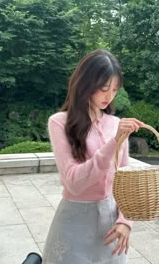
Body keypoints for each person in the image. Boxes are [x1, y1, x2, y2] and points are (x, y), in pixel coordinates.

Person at [42, 49, 144, 264]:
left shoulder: (116, 124)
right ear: (85, 83)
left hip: (111, 224)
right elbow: (74, 181)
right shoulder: (60, 122)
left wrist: (126, 221)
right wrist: (113, 143)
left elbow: (124, 181)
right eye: (103, 88)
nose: (109, 96)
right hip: (74, 220)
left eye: (115, 89)